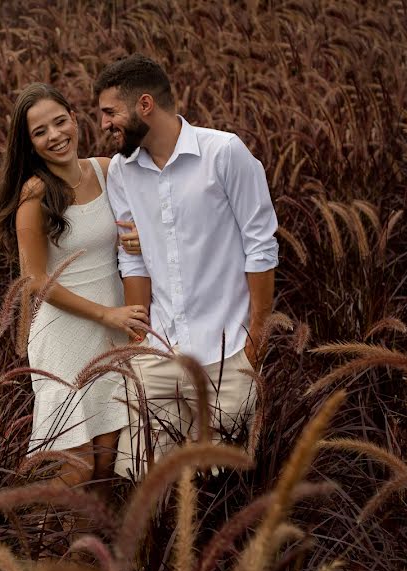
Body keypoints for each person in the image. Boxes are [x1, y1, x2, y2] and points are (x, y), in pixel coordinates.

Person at [94, 55, 279, 480]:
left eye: (109, 112)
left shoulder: (224, 153)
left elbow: (260, 246)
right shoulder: (122, 171)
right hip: (157, 350)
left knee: (222, 486)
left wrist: (256, 341)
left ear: (144, 105)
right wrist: (139, 340)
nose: (103, 124)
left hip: (228, 351)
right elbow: (132, 255)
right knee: (146, 480)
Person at [0, 82, 149, 494]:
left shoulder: (107, 169)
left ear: (75, 119)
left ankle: (89, 555)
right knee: (73, 467)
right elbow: (34, 279)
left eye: (60, 122)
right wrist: (106, 314)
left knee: (105, 463)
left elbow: (151, 217)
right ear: (28, 143)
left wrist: (141, 236)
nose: (55, 135)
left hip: (115, 330)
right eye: (40, 131)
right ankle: (45, 552)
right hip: (66, 335)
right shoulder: (35, 192)